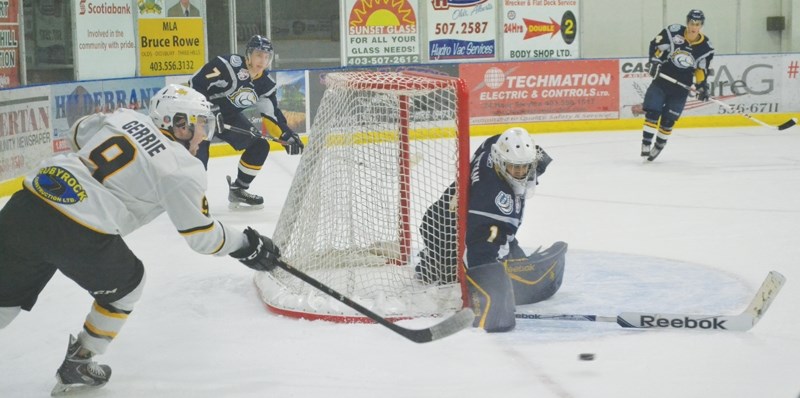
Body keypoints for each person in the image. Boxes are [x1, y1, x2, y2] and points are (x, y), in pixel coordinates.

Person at [0, 85, 282, 396]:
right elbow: (202, 236)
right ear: (177, 123)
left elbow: (79, 133)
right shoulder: (180, 168)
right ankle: (79, 361)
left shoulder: (125, 117)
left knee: (3, 303)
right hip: (81, 229)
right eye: (199, 125)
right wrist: (246, 244)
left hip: (27, 203)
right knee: (128, 285)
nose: (203, 135)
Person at [416, 127, 564, 332]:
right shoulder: (494, 202)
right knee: (474, 266)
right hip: (449, 234)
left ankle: (435, 262)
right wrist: (491, 294)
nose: (521, 173)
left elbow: (498, 140)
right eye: (515, 167)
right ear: (501, 162)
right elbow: (479, 250)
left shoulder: (492, 149)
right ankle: (437, 265)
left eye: (525, 167)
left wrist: (534, 162)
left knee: (505, 251)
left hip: (439, 219)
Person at [189, 34, 303, 209]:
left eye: (266, 57)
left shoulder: (265, 84)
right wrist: (209, 109)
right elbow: (195, 83)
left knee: (259, 146)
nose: (262, 61)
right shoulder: (227, 65)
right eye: (258, 55)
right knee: (200, 155)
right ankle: (190, 198)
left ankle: (238, 190)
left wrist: (286, 136)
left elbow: (271, 116)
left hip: (228, 117)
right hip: (201, 115)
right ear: (248, 54)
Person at [641, 9, 714, 161]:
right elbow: (657, 49)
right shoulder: (673, 33)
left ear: (701, 25)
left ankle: (659, 145)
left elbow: (700, 69)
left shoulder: (706, 46)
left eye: (698, 24)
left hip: (681, 87)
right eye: (692, 23)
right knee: (652, 112)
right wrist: (654, 62)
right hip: (662, 81)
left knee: (668, 120)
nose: (694, 26)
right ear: (687, 22)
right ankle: (646, 142)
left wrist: (702, 85)